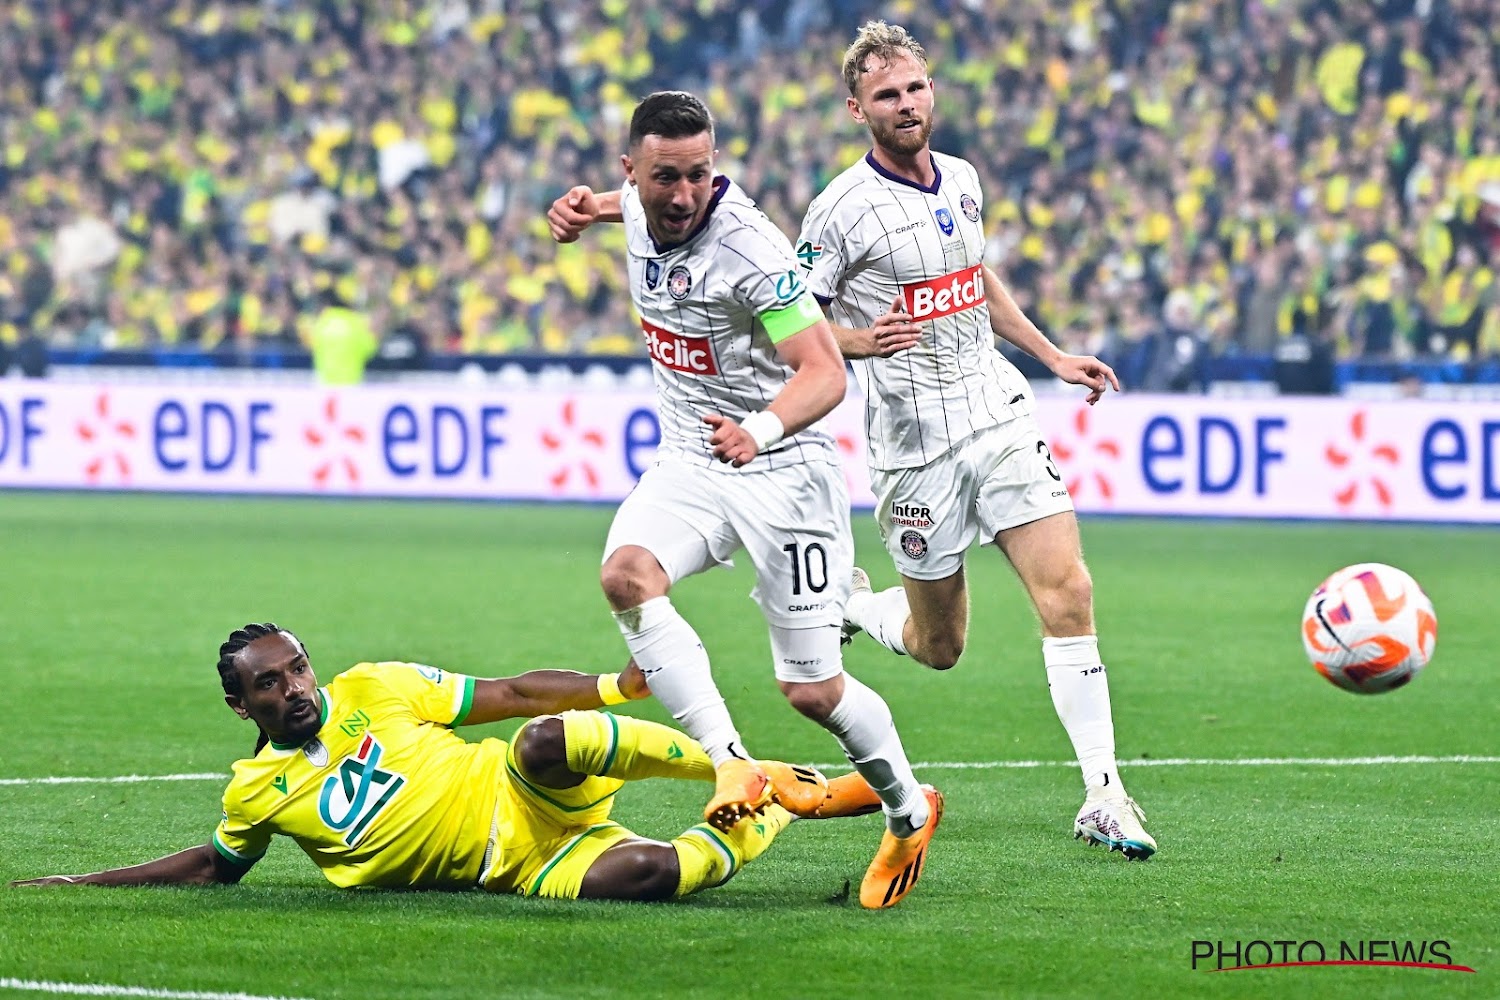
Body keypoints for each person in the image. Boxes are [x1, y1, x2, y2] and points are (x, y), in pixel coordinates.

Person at [546, 91, 941, 908]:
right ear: (633, 171)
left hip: (783, 471)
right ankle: (730, 758)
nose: (685, 194)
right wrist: (588, 211)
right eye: (665, 178)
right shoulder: (632, 203)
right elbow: (623, 205)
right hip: (691, 461)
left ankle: (908, 809)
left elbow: (826, 371)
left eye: (700, 174)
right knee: (625, 576)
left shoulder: (754, 251)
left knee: (811, 691)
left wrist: (758, 430)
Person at [794, 22, 1154, 858]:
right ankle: (852, 603)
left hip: (998, 413)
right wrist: (856, 341)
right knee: (939, 646)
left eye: (915, 88)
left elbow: (974, 275)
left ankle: (1103, 792)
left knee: (1068, 594)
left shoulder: (961, 179)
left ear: (932, 90)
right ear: (858, 109)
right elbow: (793, 315)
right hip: (915, 446)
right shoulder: (839, 209)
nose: (906, 104)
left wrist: (1052, 353)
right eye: (886, 95)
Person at [10, 623, 885, 901]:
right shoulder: (256, 794)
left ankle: (732, 768)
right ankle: (767, 804)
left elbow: (505, 695)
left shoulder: (375, 686)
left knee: (544, 738)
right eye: (270, 685)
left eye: (297, 668)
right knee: (653, 873)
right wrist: (81, 887)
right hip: (517, 865)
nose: (295, 688)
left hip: (522, 782)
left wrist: (616, 685)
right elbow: (213, 865)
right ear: (242, 707)